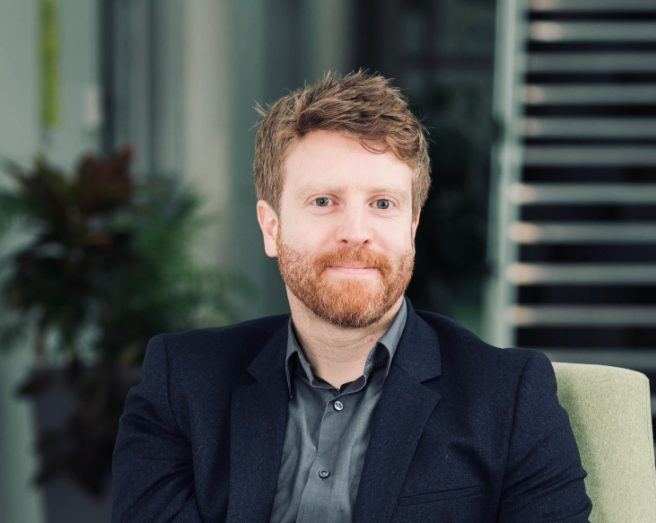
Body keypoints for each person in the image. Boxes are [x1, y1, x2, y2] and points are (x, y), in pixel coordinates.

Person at [111, 70, 592, 522]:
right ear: (271, 227)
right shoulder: (181, 384)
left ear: (412, 226)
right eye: (324, 202)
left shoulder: (509, 398)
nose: (355, 232)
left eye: (382, 204)